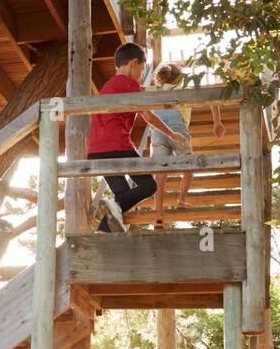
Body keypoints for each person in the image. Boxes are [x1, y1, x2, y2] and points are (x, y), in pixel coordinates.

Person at [89, 44, 183, 231]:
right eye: (141, 69)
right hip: (118, 146)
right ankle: (108, 215)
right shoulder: (130, 85)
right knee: (149, 185)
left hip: (96, 150)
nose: (141, 74)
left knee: (123, 198)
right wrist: (171, 133)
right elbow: (148, 116)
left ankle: (103, 229)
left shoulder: (107, 86)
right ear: (133, 63)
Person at [143, 62, 226, 221]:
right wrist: (217, 122)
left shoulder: (155, 90)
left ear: (160, 79)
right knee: (188, 166)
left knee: (159, 174)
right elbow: (210, 96)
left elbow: (138, 90)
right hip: (178, 127)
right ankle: (181, 199)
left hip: (158, 130)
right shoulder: (186, 89)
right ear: (180, 78)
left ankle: (158, 211)